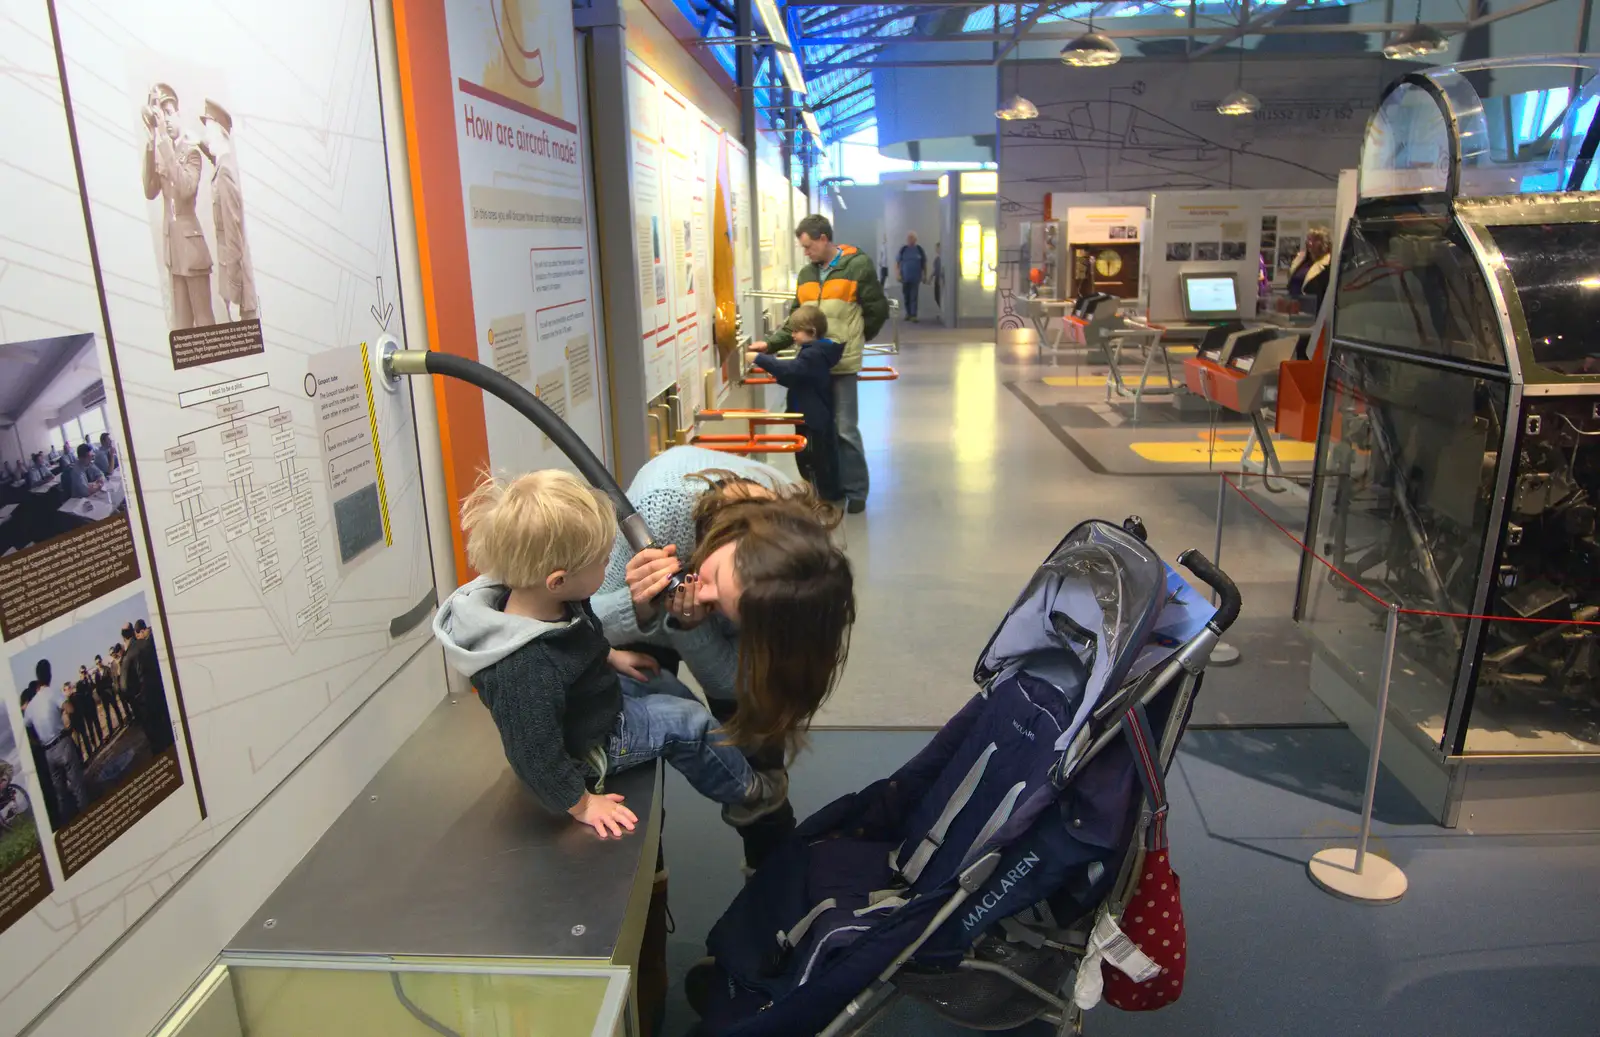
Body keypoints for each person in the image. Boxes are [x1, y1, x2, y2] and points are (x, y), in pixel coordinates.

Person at [433, 470, 789, 840]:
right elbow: (532, 756)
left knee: (661, 683)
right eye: (603, 561)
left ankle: (723, 746)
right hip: (592, 744)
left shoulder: (551, 598)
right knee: (690, 721)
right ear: (558, 579)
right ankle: (748, 793)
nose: (610, 565)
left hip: (595, 697)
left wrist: (611, 657)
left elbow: (576, 639)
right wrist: (582, 804)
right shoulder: (524, 669)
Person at [768, 215, 889, 515]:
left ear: (824, 238)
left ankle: (857, 490)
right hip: (812, 368)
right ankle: (827, 489)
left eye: (808, 246)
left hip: (842, 363)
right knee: (818, 430)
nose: (806, 253)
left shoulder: (857, 266)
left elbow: (877, 311)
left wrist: (854, 339)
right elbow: (797, 318)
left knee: (845, 429)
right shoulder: (807, 275)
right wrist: (770, 345)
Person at [748, 305, 842, 504]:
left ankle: (819, 499)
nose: (793, 336)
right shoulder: (816, 351)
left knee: (812, 460)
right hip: (809, 416)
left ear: (812, 332)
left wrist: (759, 358)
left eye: (796, 331)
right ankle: (817, 494)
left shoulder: (813, 354)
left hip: (812, 419)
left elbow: (793, 372)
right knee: (814, 459)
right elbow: (796, 377)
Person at [142, 82, 216, 330]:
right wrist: (152, 141)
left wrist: (164, 140)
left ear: (179, 114)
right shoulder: (165, 152)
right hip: (173, 250)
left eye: (171, 114)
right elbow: (150, 190)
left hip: (192, 250)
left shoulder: (191, 152)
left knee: (204, 321)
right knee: (182, 325)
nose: (168, 121)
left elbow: (185, 189)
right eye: (163, 116)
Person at [199, 100, 259, 322]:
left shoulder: (224, 174)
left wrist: (235, 294)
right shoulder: (223, 166)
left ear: (218, 133)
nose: (206, 138)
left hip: (239, 292)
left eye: (208, 132)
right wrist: (199, 145)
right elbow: (215, 156)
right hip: (233, 283)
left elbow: (234, 237)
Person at [21, 676, 85, 825]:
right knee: (77, 786)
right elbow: (70, 708)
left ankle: (67, 822)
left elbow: (25, 728)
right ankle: (85, 816)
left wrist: (36, 742)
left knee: (60, 793)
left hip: (47, 751)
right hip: (61, 742)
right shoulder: (48, 695)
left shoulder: (31, 709)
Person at [1286, 228, 1332, 310]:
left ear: (1325, 244)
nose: (1310, 243)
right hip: (1293, 308)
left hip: (1312, 311)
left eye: (1315, 240)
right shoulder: (1301, 260)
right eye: (1309, 239)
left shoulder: (1329, 265)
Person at [896, 232, 927, 322]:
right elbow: (897, 263)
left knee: (914, 296)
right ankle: (908, 313)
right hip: (905, 278)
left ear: (915, 240)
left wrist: (925, 275)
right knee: (906, 296)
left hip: (916, 277)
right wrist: (897, 274)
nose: (910, 240)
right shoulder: (903, 250)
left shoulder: (919, 250)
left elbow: (924, 263)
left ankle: (913, 315)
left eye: (912, 238)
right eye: (909, 238)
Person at [73, 666, 104, 755]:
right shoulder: (78, 684)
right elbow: (79, 697)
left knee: (97, 723)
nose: (84, 674)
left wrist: (90, 680)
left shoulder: (88, 681)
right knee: (90, 727)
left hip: (92, 705)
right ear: (80, 673)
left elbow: (93, 687)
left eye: (84, 672)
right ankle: (94, 744)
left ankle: (101, 739)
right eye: (82, 672)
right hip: (86, 709)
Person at [93, 654, 123, 731]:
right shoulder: (96, 674)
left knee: (115, 708)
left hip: (110, 692)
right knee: (107, 714)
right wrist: (100, 694)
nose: (98, 664)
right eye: (96, 663)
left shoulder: (107, 669)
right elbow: (97, 686)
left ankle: (121, 723)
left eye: (99, 662)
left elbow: (112, 679)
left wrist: (111, 688)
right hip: (103, 695)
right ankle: (110, 730)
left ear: (101, 661)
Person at [932, 242, 944, 314]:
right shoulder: (937, 259)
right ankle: (941, 311)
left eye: (938, 248)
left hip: (941, 281)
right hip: (937, 280)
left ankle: (943, 312)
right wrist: (930, 278)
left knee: (941, 297)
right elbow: (935, 270)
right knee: (936, 297)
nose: (936, 250)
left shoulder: (945, 260)